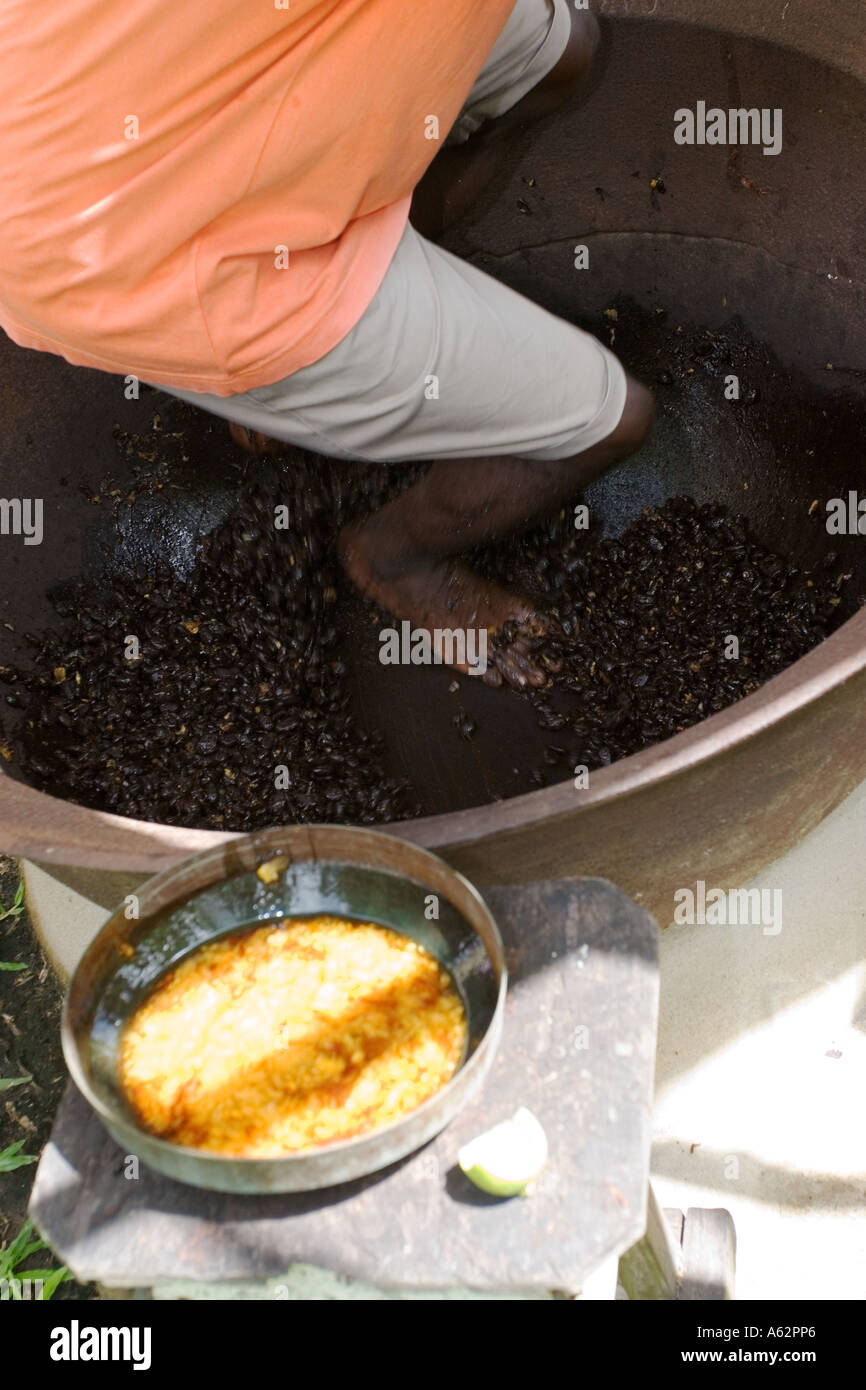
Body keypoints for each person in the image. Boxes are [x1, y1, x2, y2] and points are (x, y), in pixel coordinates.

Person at [0, 0, 652, 688]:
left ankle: (354, 291)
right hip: (123, 245)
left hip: (146, 76)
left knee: (561, 53)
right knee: (609, 420)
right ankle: (395, 559)